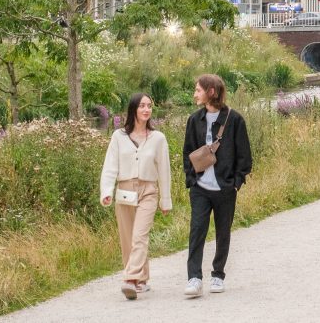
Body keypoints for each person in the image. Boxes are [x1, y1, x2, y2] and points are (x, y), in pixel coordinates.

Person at [182, 74, 253, 298]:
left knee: (223, 232)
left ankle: (218, 275)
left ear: (211, 91)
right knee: (197, 231)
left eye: (198, 90)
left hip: (225, 188)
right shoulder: (194, 120)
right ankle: (194, 278)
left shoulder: (235, 120)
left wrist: (235, 183)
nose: (195, 94)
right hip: (200, 188)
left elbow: (244, 156)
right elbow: (187, 152)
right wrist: (192, 180)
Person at [99, 93, 173, 300]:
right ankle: (142, 279)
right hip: (124, 190)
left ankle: (130, 279)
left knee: (140, 235)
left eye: (149, 106)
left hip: (148, 190)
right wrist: (106, 191)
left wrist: (165, 200)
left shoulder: (158, 138)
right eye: (142, 106)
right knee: (128, 239)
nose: (146, 109)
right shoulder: (118, 136)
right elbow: (110, 166)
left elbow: (164, 171)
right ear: (133, 109)